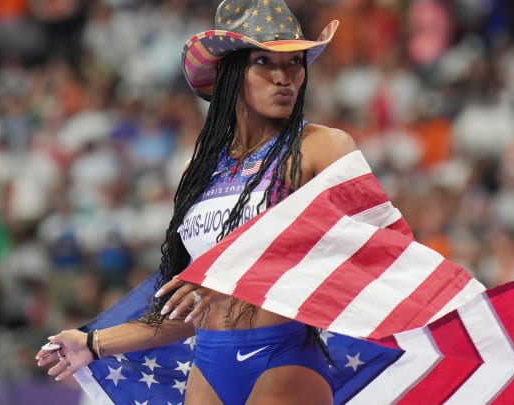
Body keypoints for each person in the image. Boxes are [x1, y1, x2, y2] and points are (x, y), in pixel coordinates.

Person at [35, 1, 350, 404]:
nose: (282, 77)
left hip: (283, 355)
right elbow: (186, 304)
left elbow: (363, 257)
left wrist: (229, 281)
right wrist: (93, 343)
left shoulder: (323, 148)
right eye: (263, 62)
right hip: (209, 363)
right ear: (230, 72)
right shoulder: (196, 172)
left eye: (294, 63)